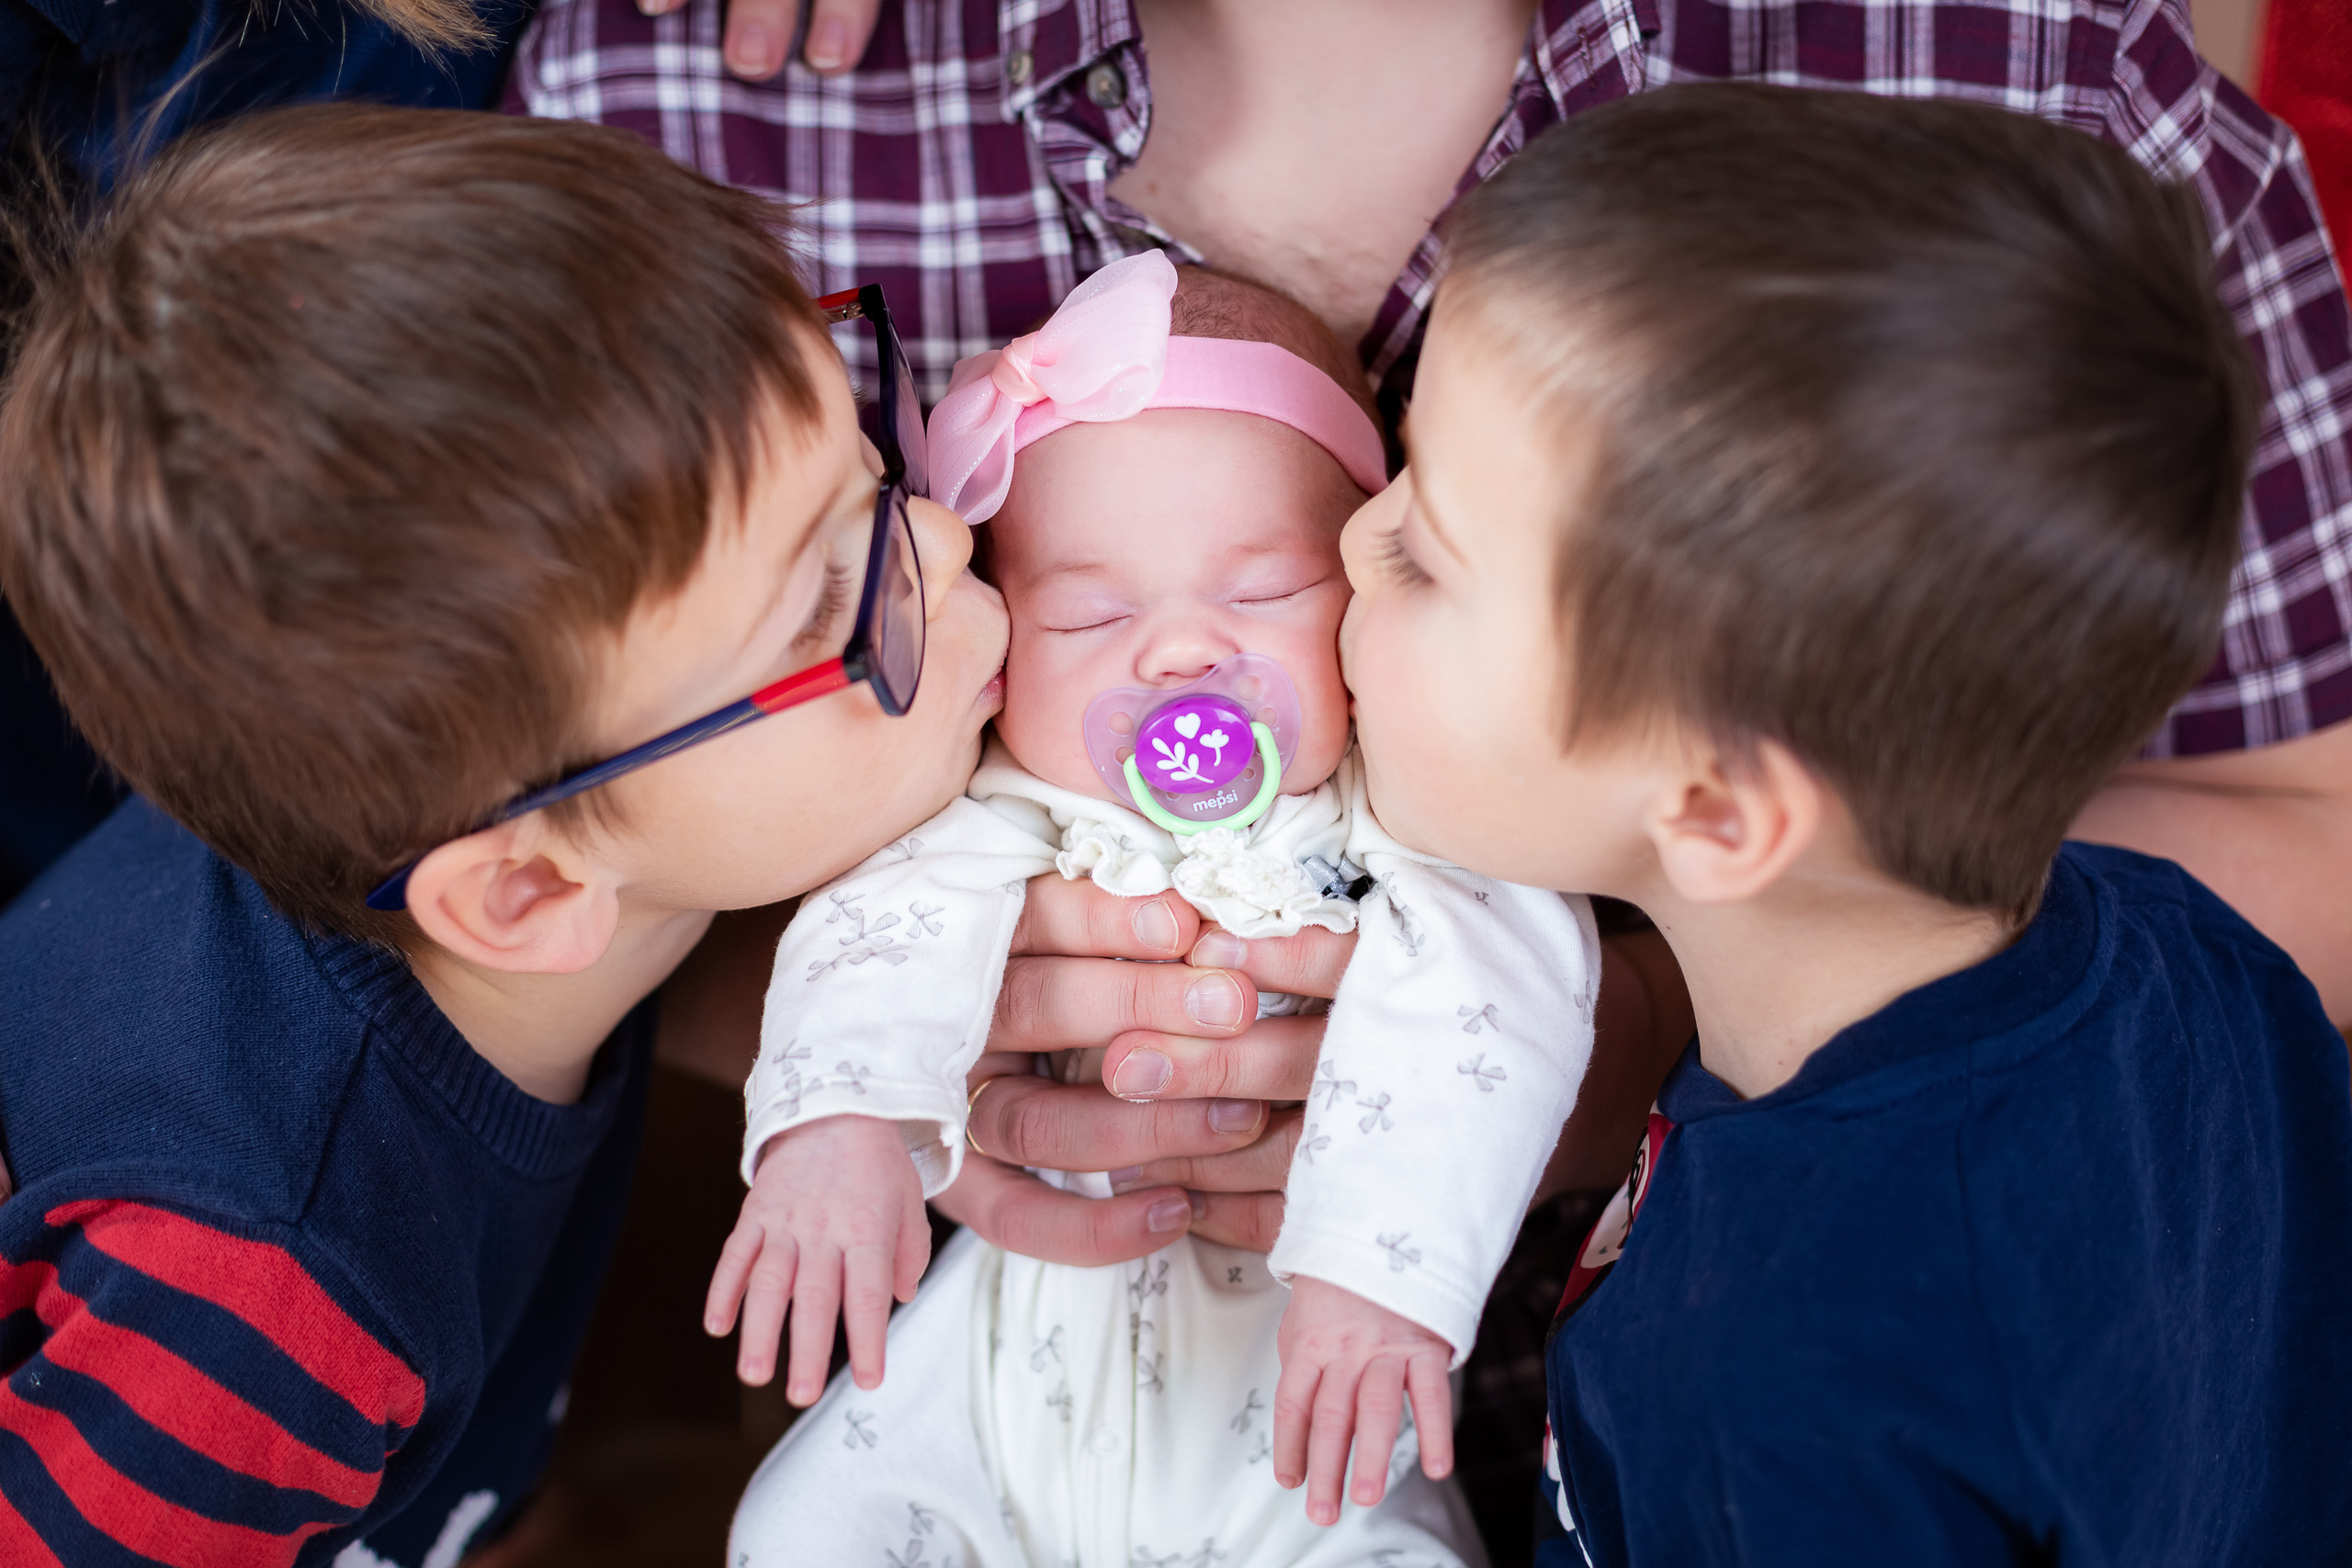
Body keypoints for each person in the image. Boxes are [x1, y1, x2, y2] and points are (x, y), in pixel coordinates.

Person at [509, 0, 2352, 1303]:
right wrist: (867, 1034)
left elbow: (2308, 831)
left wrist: (1641, 1022)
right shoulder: (681, 101)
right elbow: (500, 849)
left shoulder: (2025, 71)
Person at [0, 104, 1071, 1563]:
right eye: (833, 609)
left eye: (872, 473)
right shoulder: (269, 1292)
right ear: (523, 892)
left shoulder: (401, 787)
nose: (945, 547)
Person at [1333, 85, 2352, 1564]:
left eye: (1429, 553)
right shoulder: (2204, 956)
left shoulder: (1786, 1386)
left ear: (1714, 810)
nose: (1359, 534)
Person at [710, 254, 1598, 1563]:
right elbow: (873, 935)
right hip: (993, 1398)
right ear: (1005, 646)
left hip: (1296, 1429)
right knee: (795, 1533)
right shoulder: (1003, 812)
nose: (1182, 652)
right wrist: (837, 1126)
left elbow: (1503, 991)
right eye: (1090, 615)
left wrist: (1384, 1276)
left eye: (1265, 592)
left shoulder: (1409, 822)